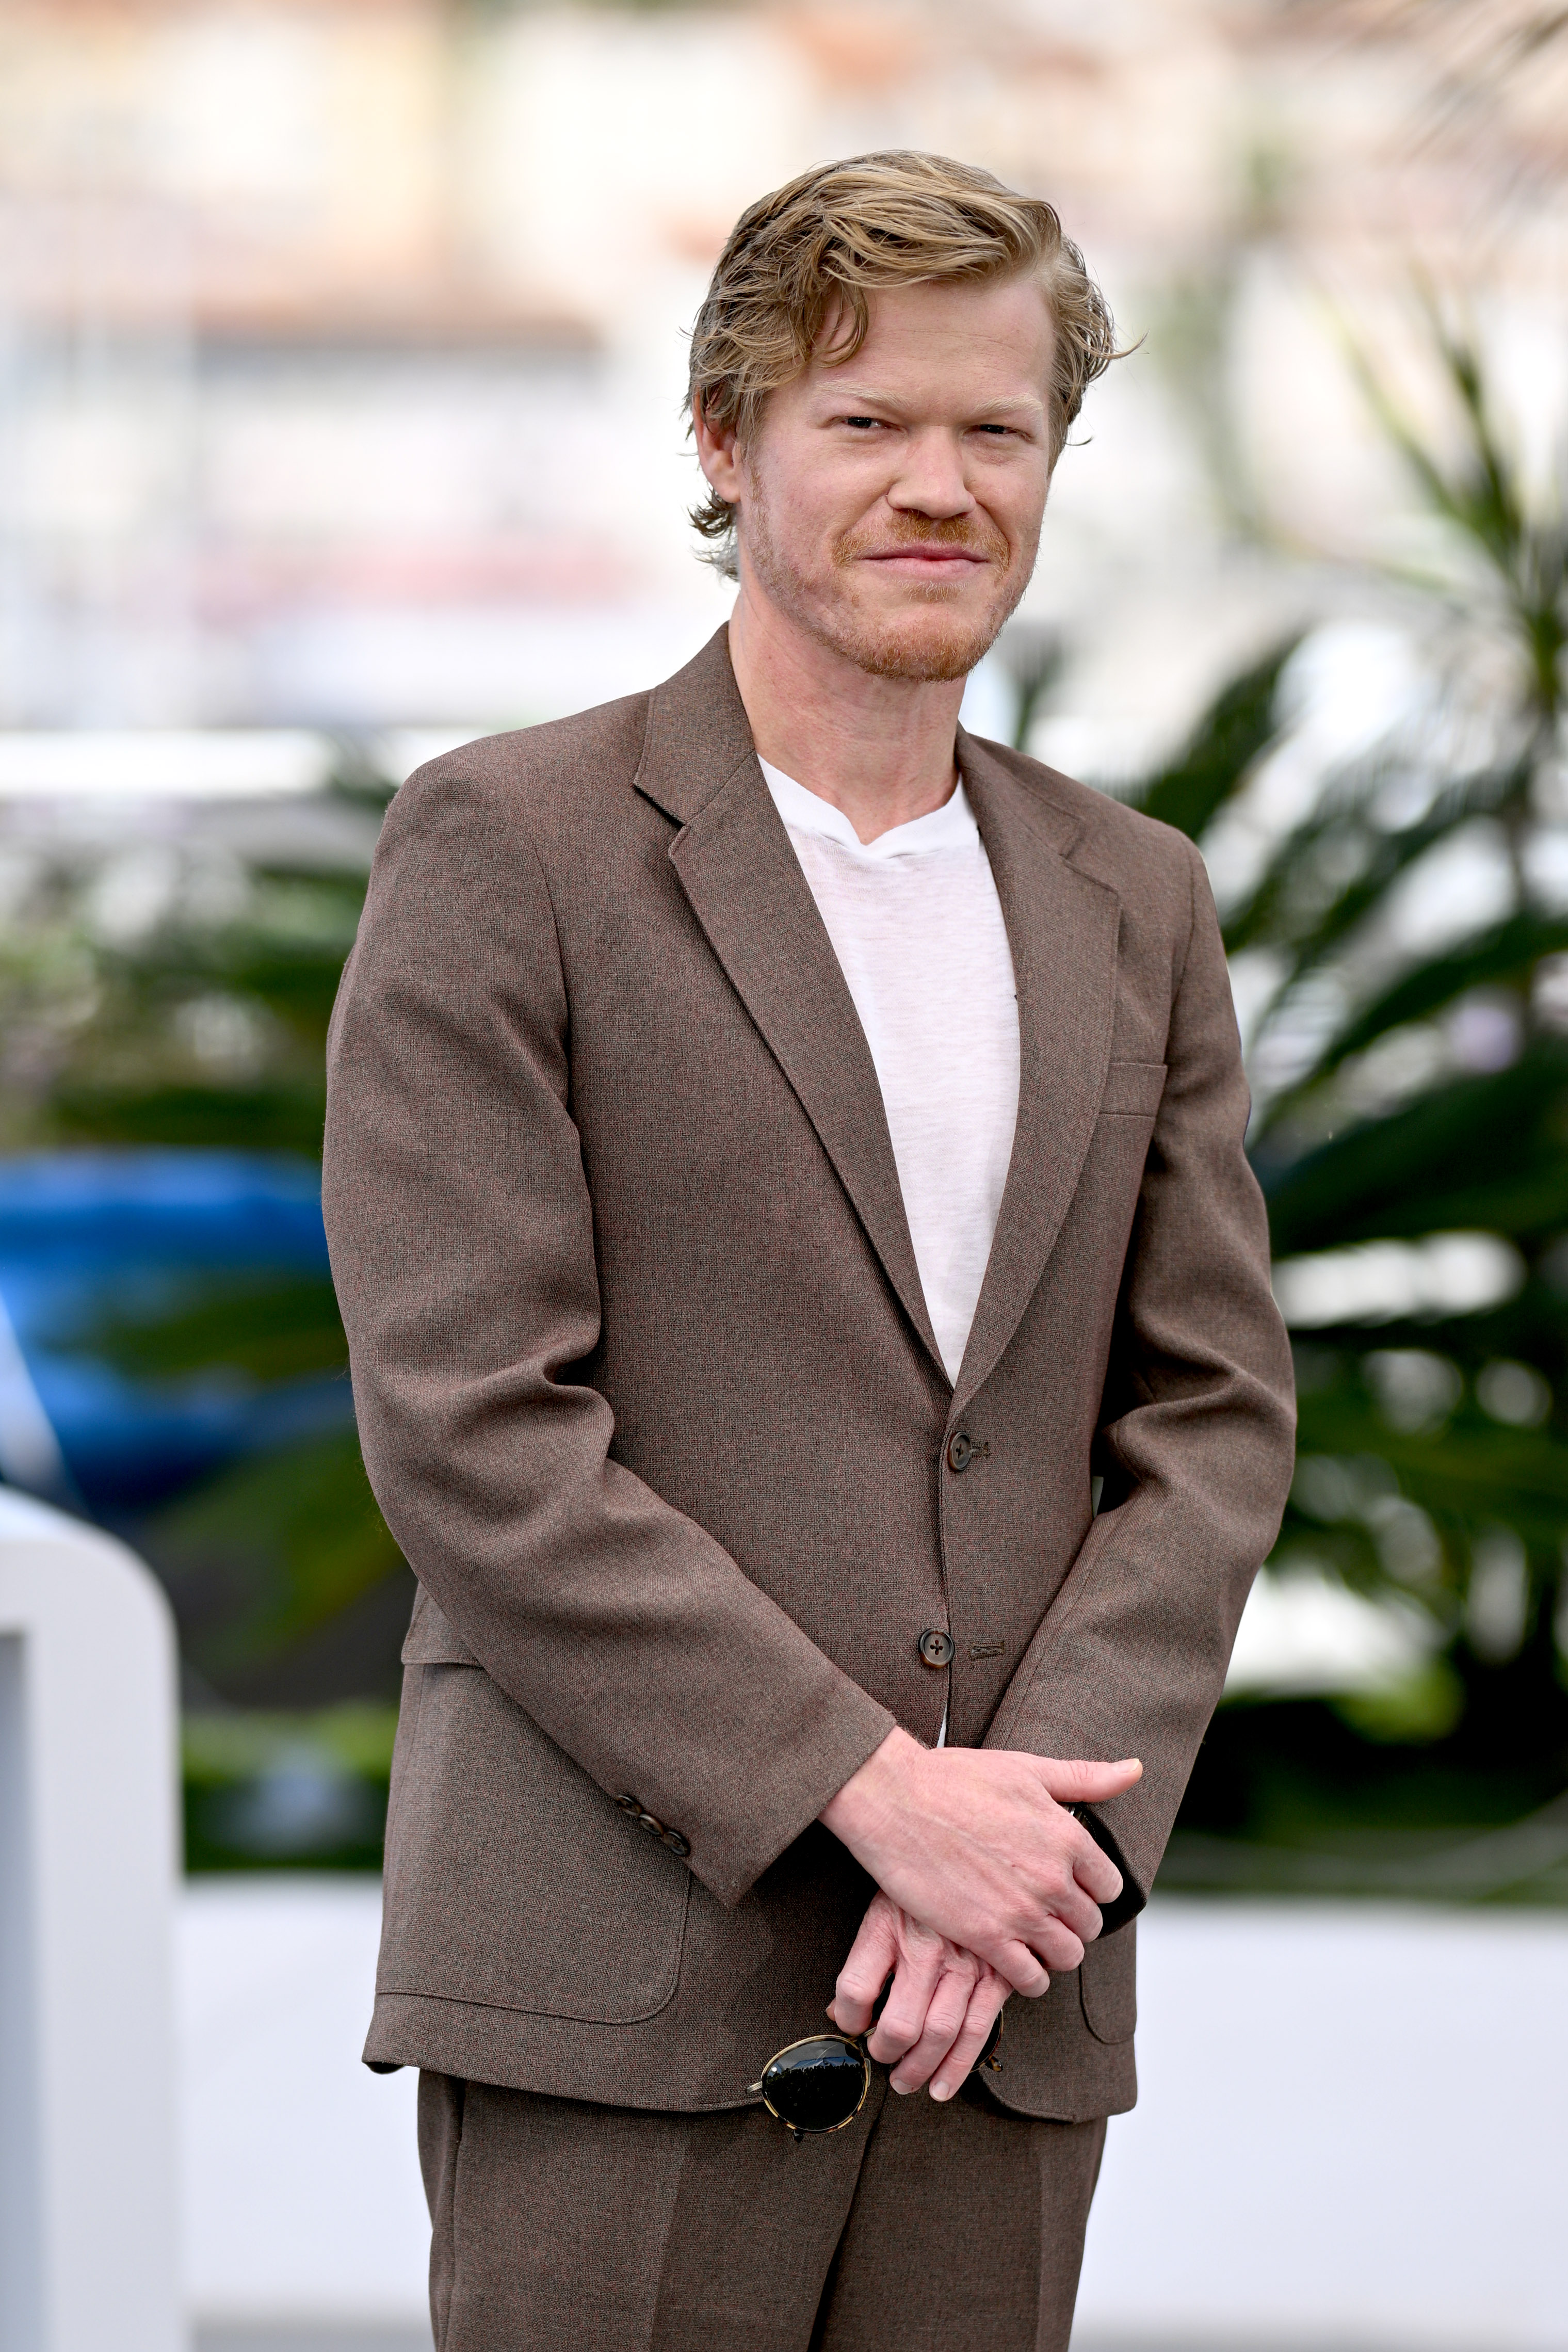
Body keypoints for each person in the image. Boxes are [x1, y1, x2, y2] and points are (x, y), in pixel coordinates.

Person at [322, 149, 1296, 2352]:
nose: (940, 485)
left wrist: (1028, 1846)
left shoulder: (1134, 895)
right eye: (867, 421)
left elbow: (1214, 1415)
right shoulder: (509, 845)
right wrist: (872, 1799)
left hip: (1004, 1994)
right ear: (724, 443)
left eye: (997, 429)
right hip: (618, 1984)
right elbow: (475, 1428)